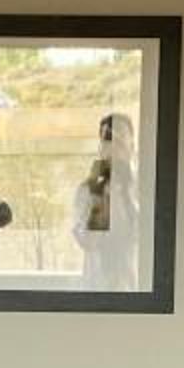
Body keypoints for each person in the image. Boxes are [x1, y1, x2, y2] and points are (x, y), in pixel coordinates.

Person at [73, 111, 138, 287]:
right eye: (108, 141)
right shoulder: (87, 191)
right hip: (98, 290)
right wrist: (101, 190)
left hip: (137, 291)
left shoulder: (143, 189)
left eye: (120, 140)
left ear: (132, 145)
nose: (114, 147)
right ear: (101, 148)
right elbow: (89, 242)